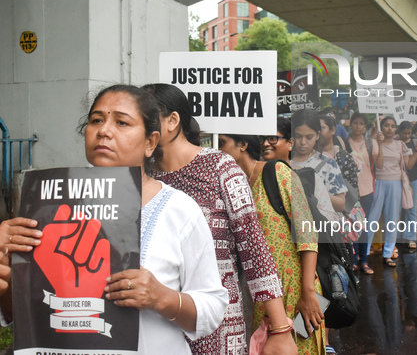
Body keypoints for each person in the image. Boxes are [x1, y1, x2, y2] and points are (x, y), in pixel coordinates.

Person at [1, 85, 229, 353]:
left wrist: (161, 297)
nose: (104, 131)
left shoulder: (179, 210)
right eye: (96, 120)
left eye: (122, 122)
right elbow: (24, 313)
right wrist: (7, 271)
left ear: (150, 143)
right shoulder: (46, 208)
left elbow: (213, 308)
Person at [142, 83, 295, 355]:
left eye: (144, 118)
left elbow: (255, 250)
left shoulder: (220, 167)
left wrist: (281, 329)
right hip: (156, 323)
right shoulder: (142, 179)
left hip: (218, 326)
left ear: (172, 121)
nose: (136, 127)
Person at [218, 133, 327, 355]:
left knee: (302, 348)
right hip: (263, 299)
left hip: (296, 292)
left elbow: (307, 233)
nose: (217, 151)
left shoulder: (276, 173)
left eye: (221, 143)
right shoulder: (233, 187)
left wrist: (307, 293)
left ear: (243, 144)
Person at [365, 116, 413, 267]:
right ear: (382, 127)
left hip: (396, 183)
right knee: (373, 217)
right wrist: (378, 144)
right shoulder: (374, 143)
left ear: (395, 129)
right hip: (379, 182)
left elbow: (408, 165)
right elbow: (378, 165)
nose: (389, 128)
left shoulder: (400, 145)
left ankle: (388, 253)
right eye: (386, 125)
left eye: (392, 126)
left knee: (392, 219)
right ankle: (364, 253)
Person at [291, 110, 347, 214]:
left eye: (309, 137)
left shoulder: (328, 164)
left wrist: (316, 190)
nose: (303, 142)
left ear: (317, 135)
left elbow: (341, 205)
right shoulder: (282, 161)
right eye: (298, 136)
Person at [348, 112, 378, 274]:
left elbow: (378, 164)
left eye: (361, 124)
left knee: (364, 226)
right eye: (355, 123)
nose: (358, 126)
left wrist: (379, 146)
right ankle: (353, 260)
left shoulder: (371, 143)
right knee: (352, 225)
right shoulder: (344, 142)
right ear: (351, 124)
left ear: (365, 127)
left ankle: (364, 261)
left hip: (367, 189)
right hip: (350, 190)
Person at [398, 121, 417, 249]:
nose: (407, 136)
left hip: (414, 178)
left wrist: (416, 150)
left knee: (411, 208)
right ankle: (397, 235)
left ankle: (410, 236)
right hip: (399, 179)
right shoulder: (396, 143)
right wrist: (413, 154)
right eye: (405, 133)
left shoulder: (415, 142)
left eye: (409, 133)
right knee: (397, 209)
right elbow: (408, 165)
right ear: (399, 132)